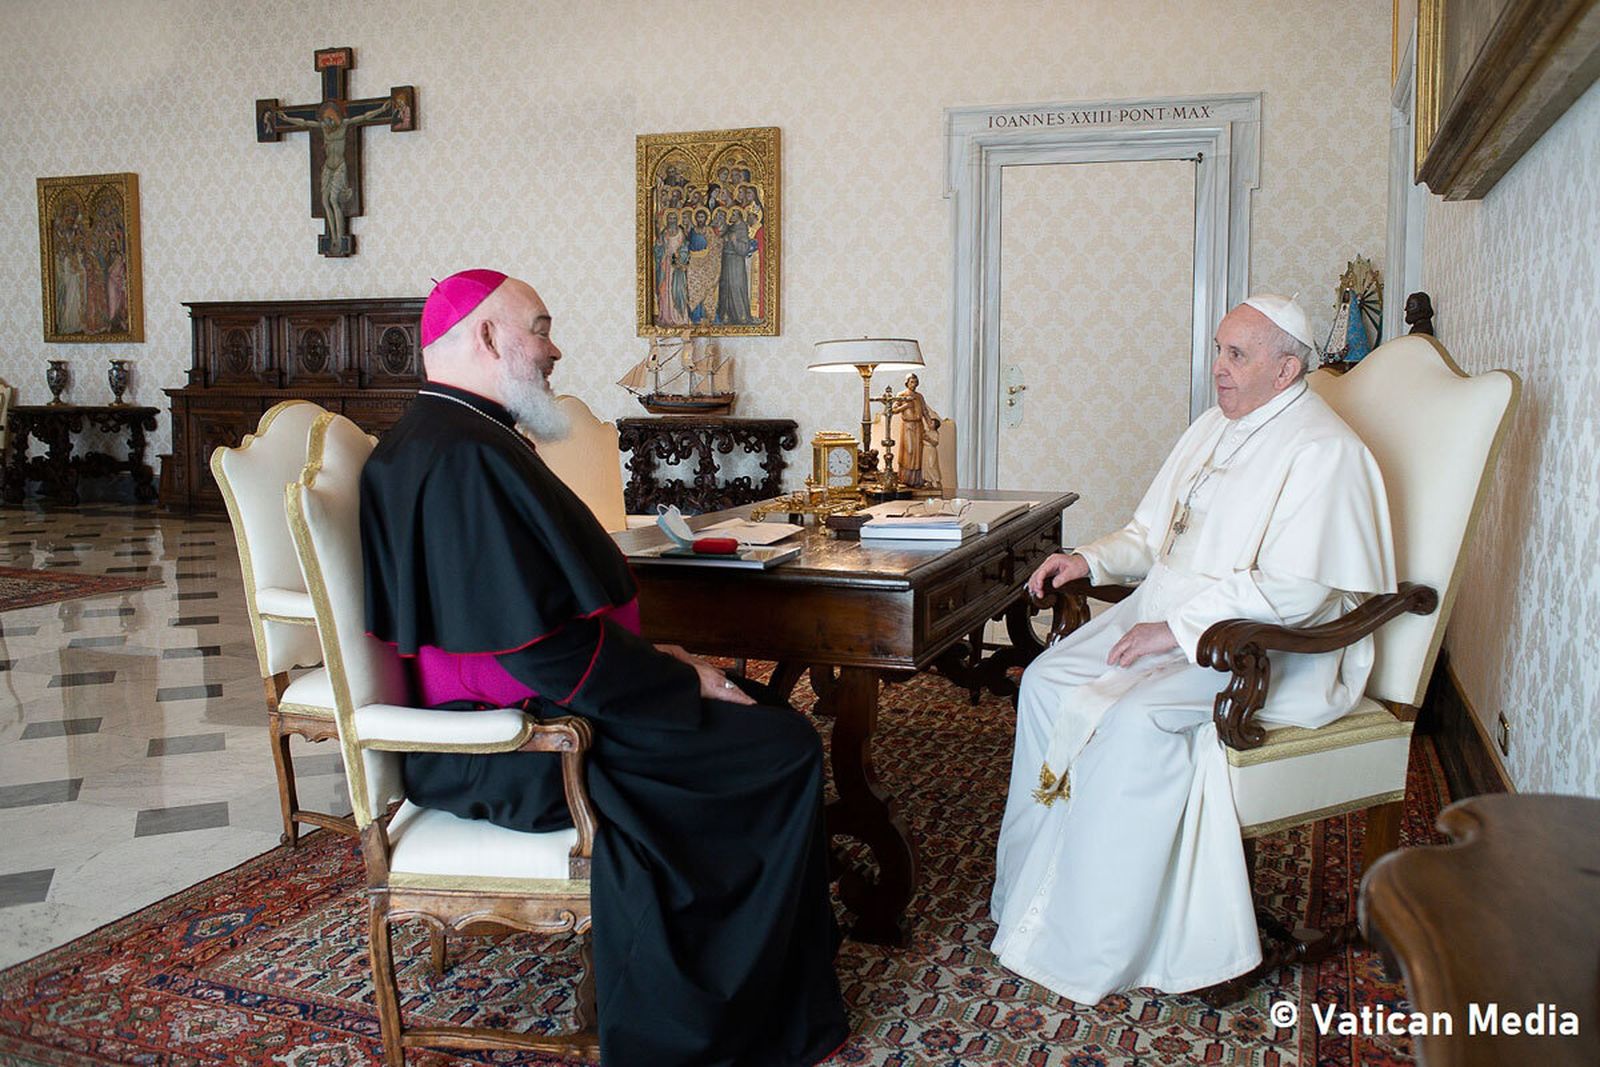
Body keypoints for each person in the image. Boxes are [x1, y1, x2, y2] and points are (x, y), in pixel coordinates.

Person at [359, 270, 847, 1066]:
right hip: (507, 746)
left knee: (758, 711)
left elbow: (533, 627)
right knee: (782, 745)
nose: (555, 349)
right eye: (540, 328)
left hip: (524, 710)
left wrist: (662, 661)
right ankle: (737, 1022)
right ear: (487, 336)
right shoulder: (463, 457)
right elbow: (530, 649)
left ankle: (771, 982)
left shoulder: (448, 435)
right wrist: (679, 677)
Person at [990, 295, 1395, 1004]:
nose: (1217, 368)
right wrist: (1088, 559)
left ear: (1286, 367)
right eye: (1219, 349)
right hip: (1171, 618)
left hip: (1265, 652)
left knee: (1132, 718)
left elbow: (1299, 590)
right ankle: (1035, 894)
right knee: (1049, 679)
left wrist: (1180, 632)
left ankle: (1106, 931)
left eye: (1236, 355)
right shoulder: (1213, 426)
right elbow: (1151, 534)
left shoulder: (1325, 449)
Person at [890, 373, 941, 488]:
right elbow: (894, 410)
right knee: (909, 451)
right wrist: (906, 406)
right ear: (907, 382)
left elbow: (925, 411)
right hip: (908, 426)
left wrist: (930, 425)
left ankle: (918, 480)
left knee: (919, 452)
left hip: (919, 426)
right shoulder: (901, 395)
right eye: (911, 381)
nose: (913, 384)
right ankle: (906, 478)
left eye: (915, 381)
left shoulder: (919, 396)